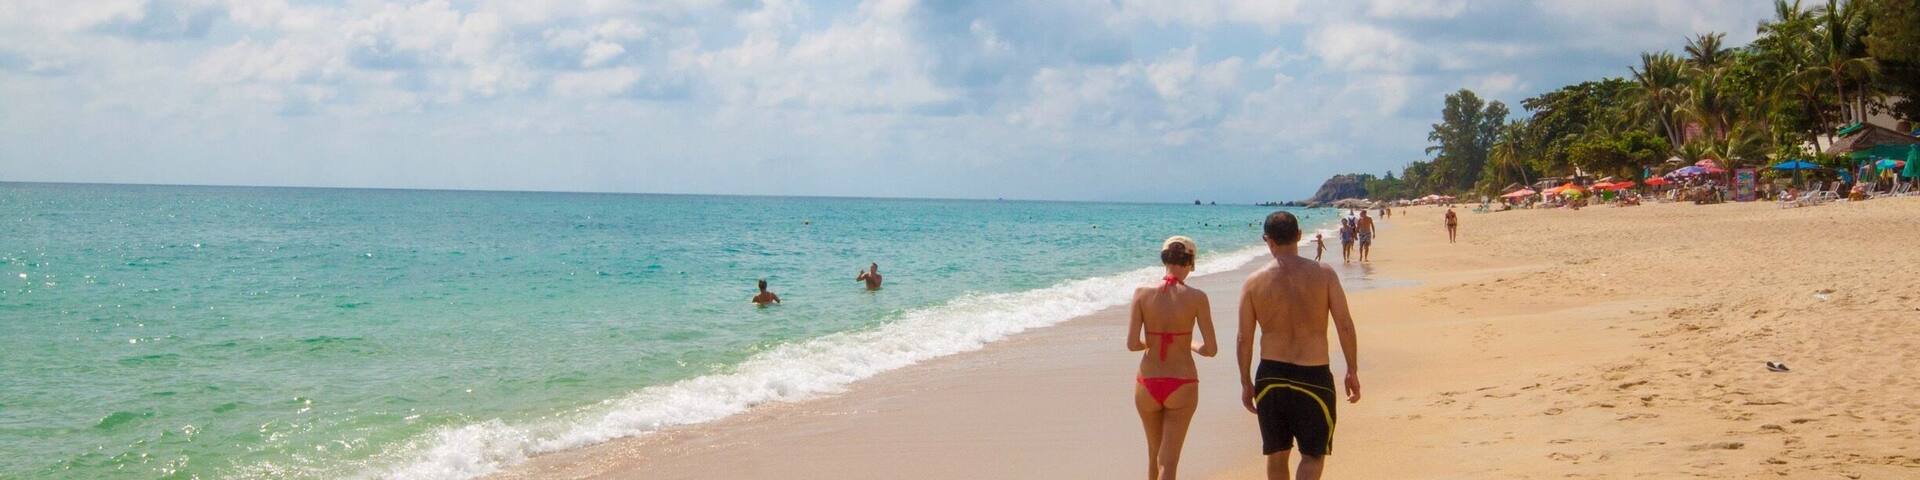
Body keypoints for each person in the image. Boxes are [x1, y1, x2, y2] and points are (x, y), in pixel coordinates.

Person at [1236, 211, 1360, 480]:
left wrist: (1246, 381)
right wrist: (1352, 369)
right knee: (1313, 455)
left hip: (1270, 376)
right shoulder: (1324, 274)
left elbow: (1244, 338)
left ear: (1267, 240)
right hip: (1313, 375)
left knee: (1277, 453)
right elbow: (1345, 325)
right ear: (1299, 235)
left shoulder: (1253, 282)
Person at [1128, 236, 1219, 480]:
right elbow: (1211, 349)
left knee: (1153, 455)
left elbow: (1132, 344)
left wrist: (1153, 341)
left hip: (1146, 383)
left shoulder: (1141, 293)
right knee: (1168, 462)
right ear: (1191, 263)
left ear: (1164, 260)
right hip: (1182, 382)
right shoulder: (1197, 297)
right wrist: (1189, 343)